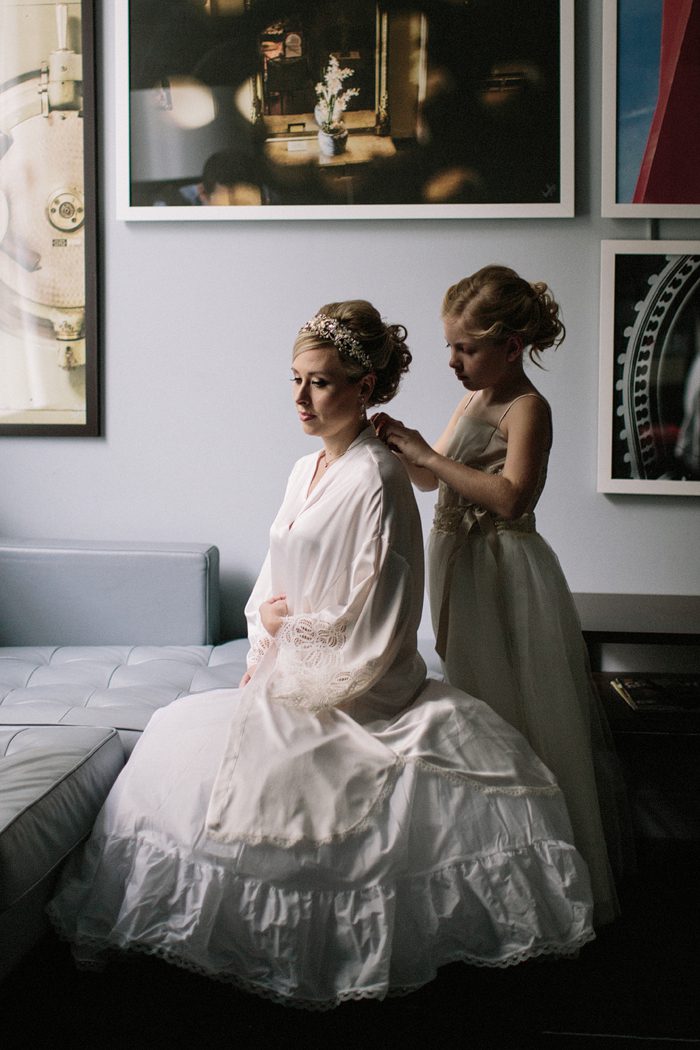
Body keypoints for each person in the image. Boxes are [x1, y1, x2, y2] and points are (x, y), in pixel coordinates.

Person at [48, 300, 596, 1009]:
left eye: (322, 382)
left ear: (364, 388)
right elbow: (275, 571)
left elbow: (379, 609)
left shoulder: (378, 478)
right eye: (296, 379)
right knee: (171, 736)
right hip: (294, 658)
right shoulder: (305, 468)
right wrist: (268, 623)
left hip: (355, 680)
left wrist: (296, 636)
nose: (301, 398)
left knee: (260, 770)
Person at [373, 266, 628, 928]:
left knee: (506, 710)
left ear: (511, 346)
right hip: (458, 564)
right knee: (469, 697)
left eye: (467, 348)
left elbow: (513, 497)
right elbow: (434, 483)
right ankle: (484, 863)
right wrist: (401, 448)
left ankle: (542, 874)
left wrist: (429, 455)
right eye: (451, 347)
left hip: (500, 571)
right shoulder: (472, 400)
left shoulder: (528, 409)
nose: (453, 361)